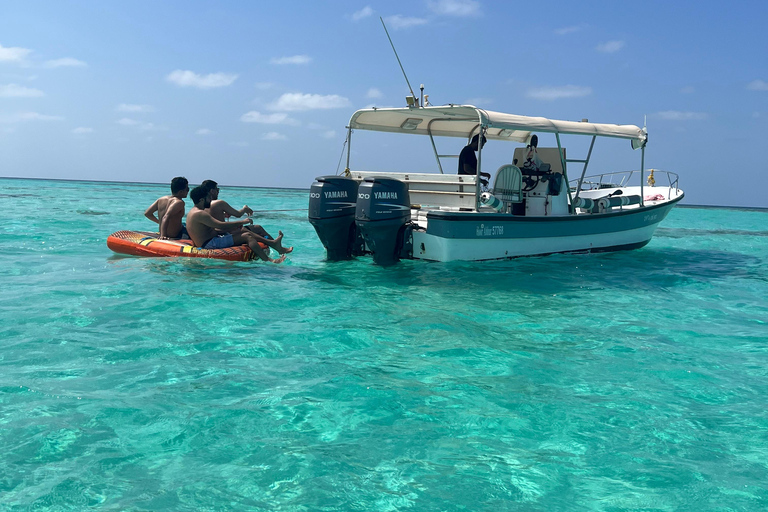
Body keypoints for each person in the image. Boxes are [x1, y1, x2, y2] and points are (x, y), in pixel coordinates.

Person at [186, 186, 286, 263]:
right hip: (209, 244)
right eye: (208, 198)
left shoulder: (194, 211)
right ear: (202, 200)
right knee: (247, 236)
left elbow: (211, 229)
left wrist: (235, 226)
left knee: (241, 231)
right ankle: (269, 260)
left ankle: (273, 244)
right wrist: (242, 222)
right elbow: (220, 225)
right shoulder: (200, 214)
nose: (210, 200)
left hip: (209, 240)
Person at [200, 179, 292, 255]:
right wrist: (244, 209)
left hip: (218, 232)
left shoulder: (202, 204)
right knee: (246, 229)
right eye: (217, 189)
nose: (218, 191)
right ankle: (275, 246)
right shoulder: (219, 203)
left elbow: (211, 217)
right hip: (222, 233)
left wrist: (224, 215)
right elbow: (238, 214)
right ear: (212, 191)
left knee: (257, 228)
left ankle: (277, 247)